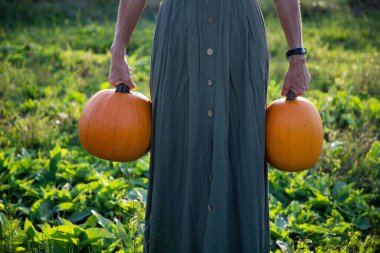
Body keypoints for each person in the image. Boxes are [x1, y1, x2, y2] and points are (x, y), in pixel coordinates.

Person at [108, 0, 310, 252]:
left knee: (241, 146)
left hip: (239, 35)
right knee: (177, 145)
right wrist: (118, 51)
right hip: (180, 33)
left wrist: (297, 57)